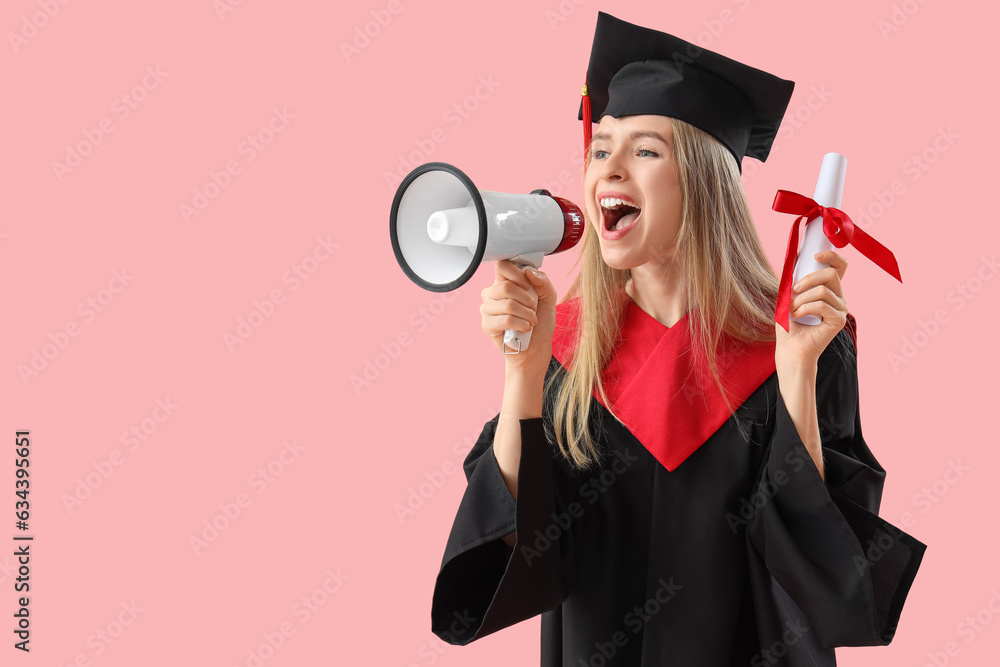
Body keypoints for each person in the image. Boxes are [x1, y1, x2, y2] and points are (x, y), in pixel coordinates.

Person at [429, 12, 926, 665]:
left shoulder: (799, 343)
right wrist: (522, 371)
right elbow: (522, 561)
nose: (608, 169)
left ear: (703, 181)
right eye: (601, 148)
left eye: (645, 150)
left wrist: (797, 371)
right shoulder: (566, 351)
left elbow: (827, 579)